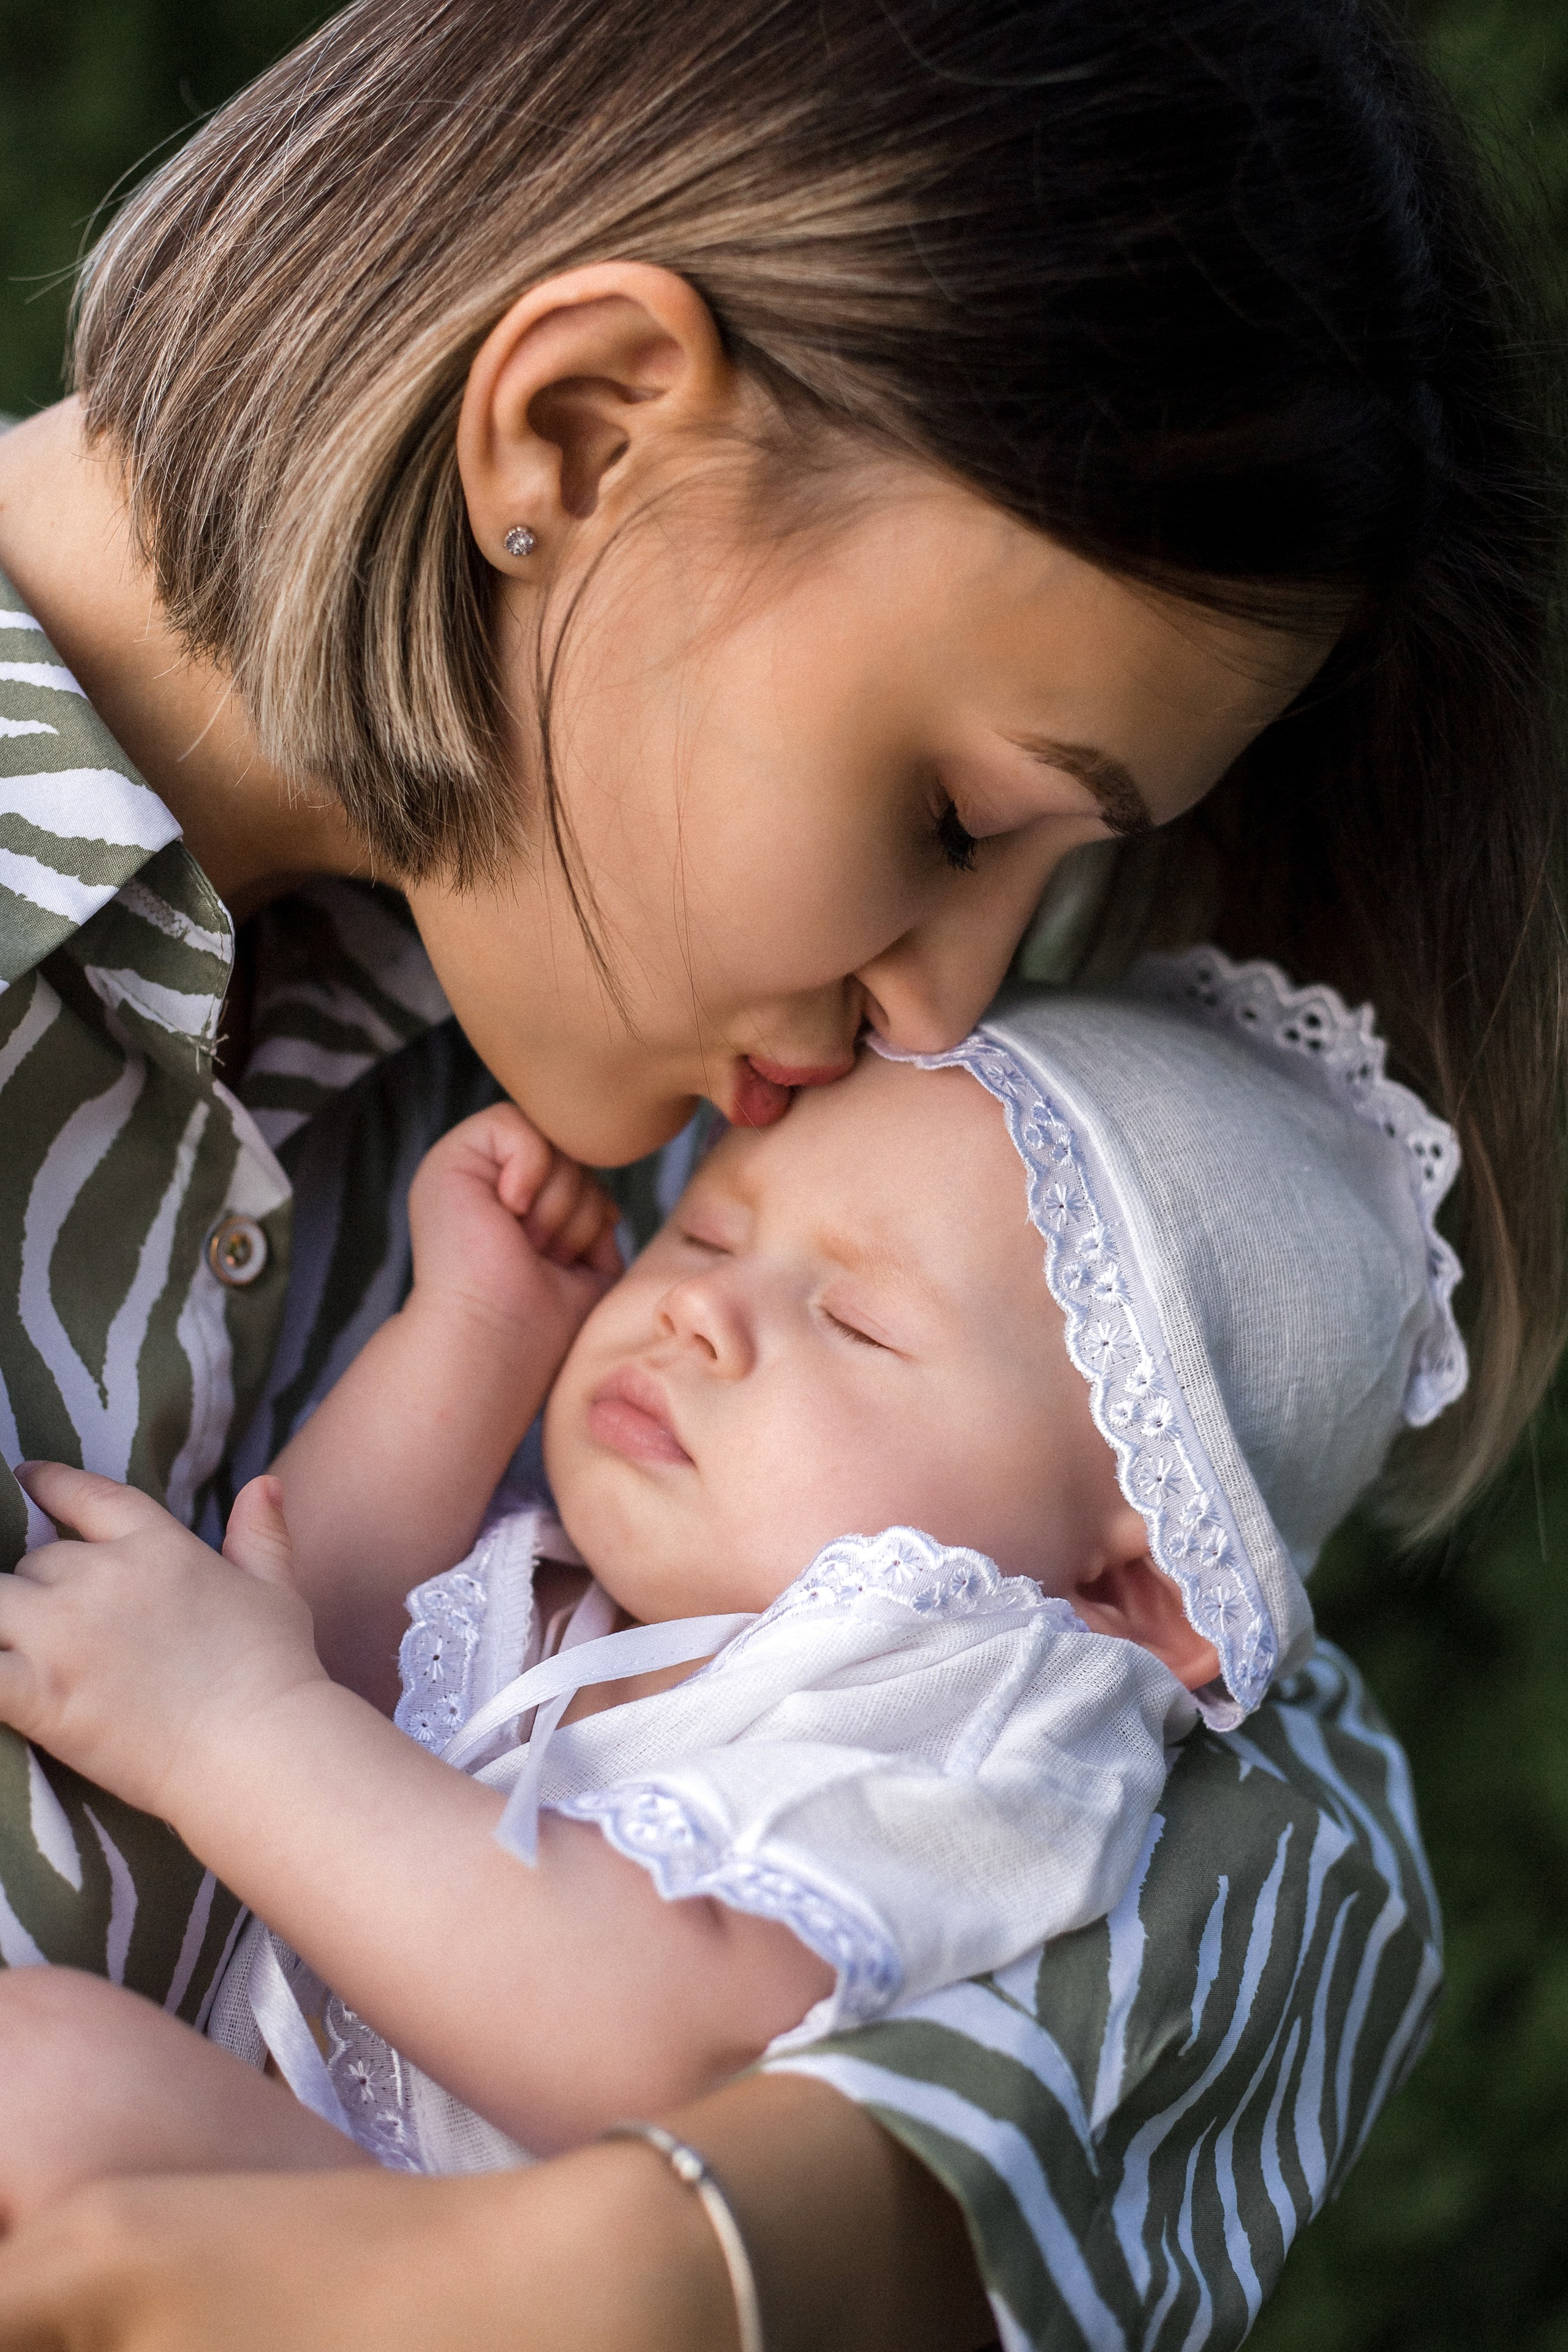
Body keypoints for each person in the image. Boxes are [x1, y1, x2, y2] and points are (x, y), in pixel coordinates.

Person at [0, 0, 1559, 2342]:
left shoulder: (553, 1063)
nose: (942, 1012)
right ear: (581, 430)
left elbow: (1289, 1846)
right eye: (950, 817)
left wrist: (631, 2257)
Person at [0, 944, 1466, 2231]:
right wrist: (476, 1339)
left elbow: (641, 2035)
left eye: (854, 1319)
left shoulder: (983, 1720)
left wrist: (225, 1735)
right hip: (267, 2193)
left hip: (471, 2283)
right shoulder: (599, 1571)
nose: (697, 1304)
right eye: (706, 1228)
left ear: (1124, 1598)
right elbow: (283, 1632)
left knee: (49, 2091)